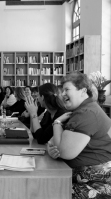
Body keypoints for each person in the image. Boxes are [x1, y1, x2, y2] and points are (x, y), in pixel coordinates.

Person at [47, 71, 111, 199]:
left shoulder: (86, 113)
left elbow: (64, 152)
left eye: (67, 89)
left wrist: (57, 123)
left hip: (94, 183)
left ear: (82, 91)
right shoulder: (80, 111)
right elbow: (51, 142)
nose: (62, 94)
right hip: (82, 178)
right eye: (62, 90)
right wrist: (51, 148)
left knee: (46, 188)